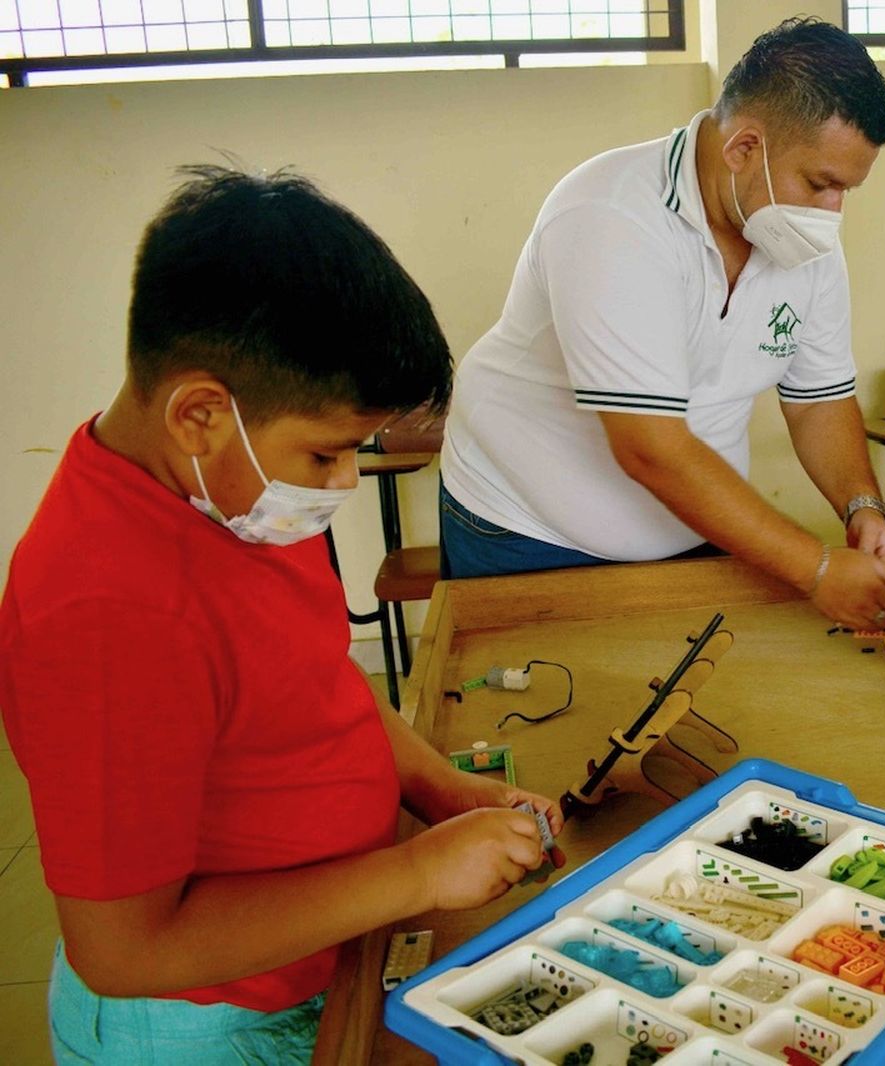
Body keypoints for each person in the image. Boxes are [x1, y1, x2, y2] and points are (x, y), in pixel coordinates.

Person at [0, 166, 564, 1064]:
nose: (343, 482)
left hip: (322, 962)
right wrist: (417, 870)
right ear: (198, 413)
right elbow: (123, 950)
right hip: (208, 1024)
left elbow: (317, 682)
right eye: (329, 450)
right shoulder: (105, 611)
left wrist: (443, 791)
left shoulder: (235, 489)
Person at [440, 17, 885, 629]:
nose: (832, 212)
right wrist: (815, 568)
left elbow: (818, 401)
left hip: (695, 527)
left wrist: (862, 506)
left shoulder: (802, 241)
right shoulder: (611, 218)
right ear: (744, 148)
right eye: (821, 183)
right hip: (527, 534)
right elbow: (650, 449)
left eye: (847, 190)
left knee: (689, 704)